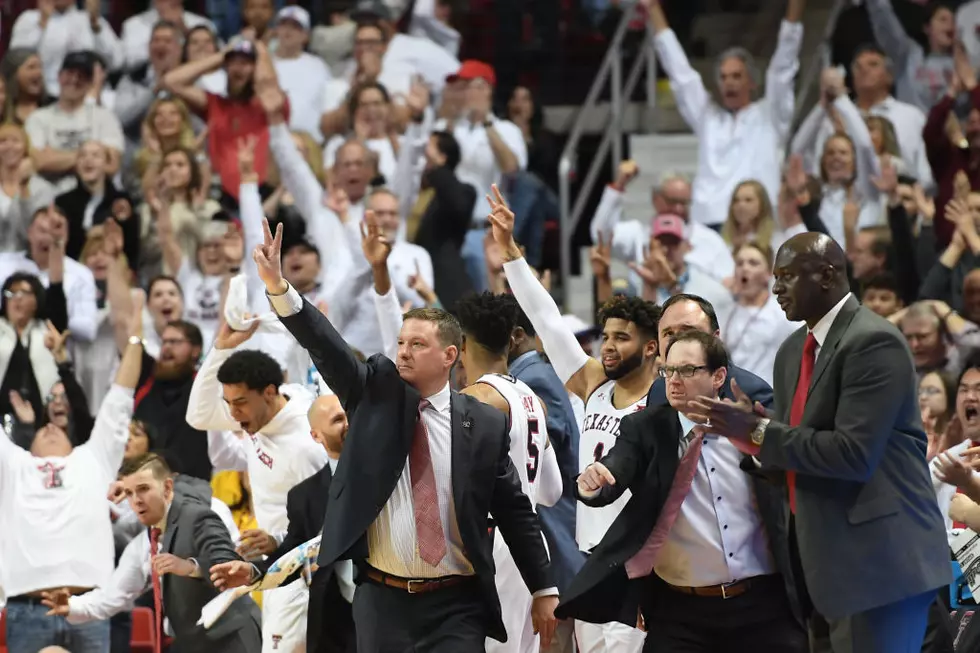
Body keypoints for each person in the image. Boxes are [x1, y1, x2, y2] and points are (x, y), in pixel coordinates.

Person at [252, 216, 558, 652]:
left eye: (417, 345)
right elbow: (328, 347)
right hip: (383, 599)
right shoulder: (374, 391)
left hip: (458, 600)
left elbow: (516, 512)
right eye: (400, 343)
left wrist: (544, 589)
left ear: (450, 355)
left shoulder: (485, 422)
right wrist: (280, 289)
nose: (403, 352)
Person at [692, 232, 950, 652]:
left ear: (827, 275)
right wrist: (752, 438)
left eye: (787, 276)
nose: (776, 288)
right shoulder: (792, 350)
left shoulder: (873, 341)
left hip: (879, 565)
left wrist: (759, 432)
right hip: (818, 563)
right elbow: (797, 448)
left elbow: (852, 454)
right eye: (775, 277)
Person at [364, 216, 564, 653]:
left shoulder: (477, 405)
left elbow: (393, 364)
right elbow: (551, 491)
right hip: (528, 545)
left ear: (460, 349)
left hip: (486, 543)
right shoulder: (532, 398)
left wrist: (382, 281)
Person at [557, 330, 807, 652]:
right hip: (680, 610)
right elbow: (619, 464)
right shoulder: (647, 427)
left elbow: (790, 482)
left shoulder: (750, 426)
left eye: (687, 370)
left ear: (718, 375)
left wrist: (756, 435)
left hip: (762, 604)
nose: (673, 380)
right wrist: (596, 482)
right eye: (667, 370)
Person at [493, 185, 657, 652]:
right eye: (605, 336)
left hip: (636, 565)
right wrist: (511, 255)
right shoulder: (592, 383)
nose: (606, 346)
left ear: (651, 348)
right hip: (588, 562)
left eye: (621, 338)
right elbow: (548, 321)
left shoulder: (665, 400)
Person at [0, 292, 142, 653]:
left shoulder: (93, 458)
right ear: (27, 443)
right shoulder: (13, 465)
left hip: (89, 607)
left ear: (73, 439)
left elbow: (121, 395)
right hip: (26, 607)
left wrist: (137, 330)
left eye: (58, 428)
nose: (50, 426)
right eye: (43, 426)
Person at [185, 322, 329, 653]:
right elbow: (198, 415)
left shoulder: (305, 445)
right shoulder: (261, 411)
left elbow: (327, 523)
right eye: (229, 403)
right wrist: (221, 347)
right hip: (271, 565)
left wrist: (277, 540)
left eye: (240, 403)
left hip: (300, 574)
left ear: (268, 392)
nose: (233, 414)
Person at [44, 453, 263, 653]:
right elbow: (112, 596)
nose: (136, 500)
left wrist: (192, 566)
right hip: (191, 642)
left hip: (231, 638)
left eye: (143, 489)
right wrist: (71, 605)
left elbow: (228, 562)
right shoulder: (143, 545)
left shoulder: (201, 513)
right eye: (129, 493)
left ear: (168, 488)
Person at [211, 394, 357, 653]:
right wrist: (255, 573)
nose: (348, 423)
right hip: (338, 617)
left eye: (349, 415)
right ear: (316, 436)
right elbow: (292, 556)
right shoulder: (304, 495)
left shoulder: (392, 469)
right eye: (337, 420)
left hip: (394, 606)